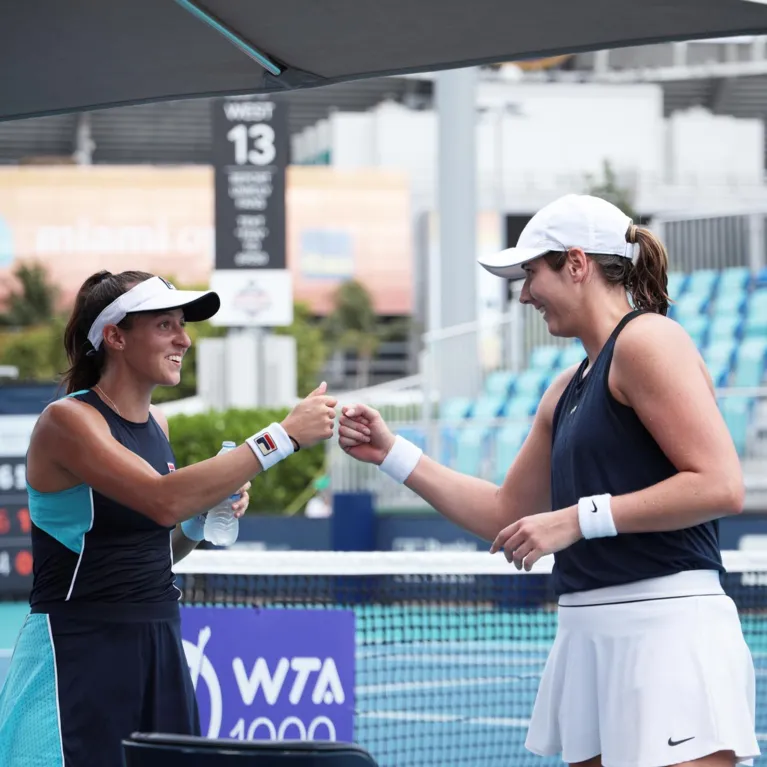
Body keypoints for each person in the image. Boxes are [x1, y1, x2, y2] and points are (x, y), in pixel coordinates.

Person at [338, 195, 759, 767]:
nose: (523, 293)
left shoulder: (649, 341)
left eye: (532, 273)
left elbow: (719, 485)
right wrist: (391, 454)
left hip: (668, 630)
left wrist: (578, 518)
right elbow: (504, 512)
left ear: (578, 264)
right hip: (585, 631)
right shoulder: (564, 387)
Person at [0, 270, 337, 767]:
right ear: (114, 337)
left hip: (159, 645)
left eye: (182, 325)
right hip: (76, 652)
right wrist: (280, 437)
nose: (185, 339)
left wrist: (198, 521)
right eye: (165, 326)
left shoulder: (158, 423)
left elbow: (161, 540)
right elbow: (162, 500)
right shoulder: (67, 421)